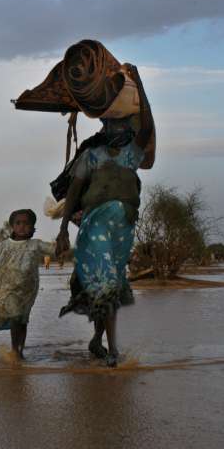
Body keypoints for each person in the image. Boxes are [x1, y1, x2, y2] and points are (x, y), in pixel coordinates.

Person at [55, 65, 155, 367]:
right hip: (93, 228)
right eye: (111, 123)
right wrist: (62, 230)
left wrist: (139, 83)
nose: (117, 127)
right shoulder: (91, 155)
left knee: (105, 287)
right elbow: (73, 193)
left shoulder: (132, 154)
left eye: (122, 121)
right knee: (108, 286)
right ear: (103, 126)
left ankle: (98, 339)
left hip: (122, 231)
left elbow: (148, 128)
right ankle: (113, 350)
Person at [0, 209, 52, 360]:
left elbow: (54, 249)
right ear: (12, 226)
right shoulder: (5, 246)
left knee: (22, 320)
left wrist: (63, 236)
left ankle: (20, 350)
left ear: (33, 227)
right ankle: (14, 350)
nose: (22, 226)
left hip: (26, 291)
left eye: (26, 223)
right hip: (6, 289)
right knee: (15, 316)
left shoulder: (35, 244)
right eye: (18, 223)